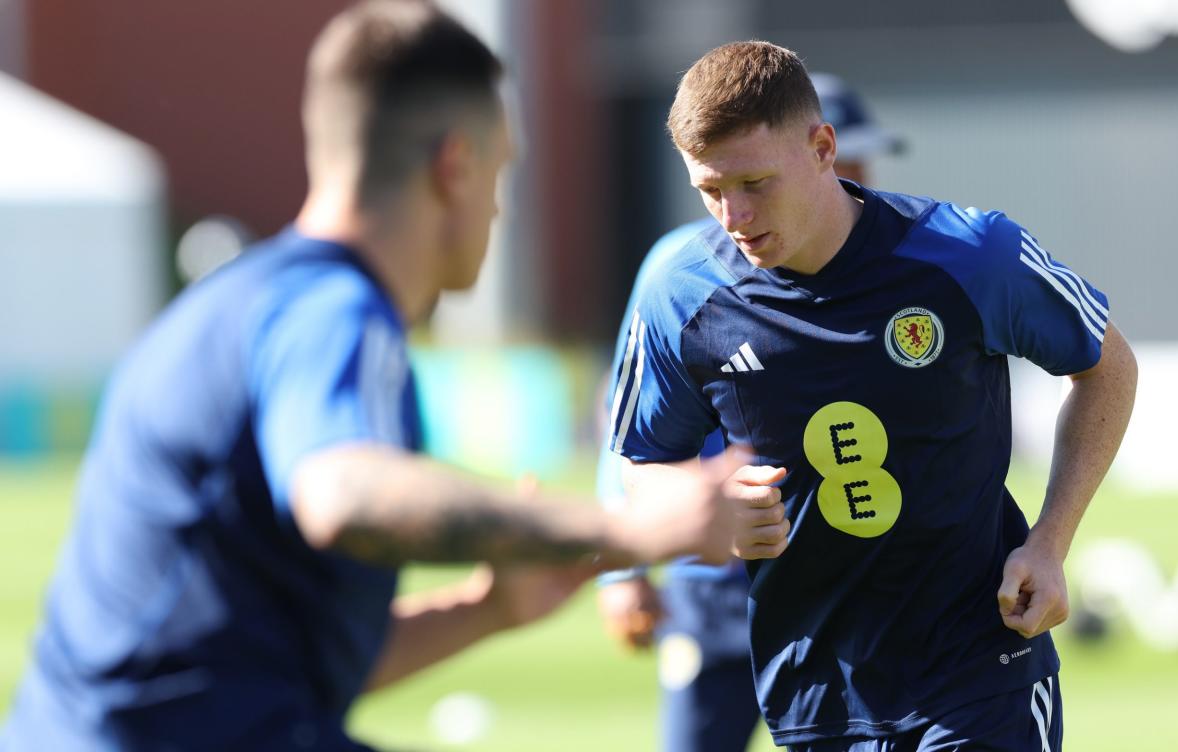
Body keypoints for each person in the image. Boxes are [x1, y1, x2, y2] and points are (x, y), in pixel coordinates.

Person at [0, 3, 743, 750]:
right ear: (454, 166)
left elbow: (268, 669)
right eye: (500, 169)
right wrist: (624, 525)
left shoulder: (249, 303)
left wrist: (487, 607)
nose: (500, 207)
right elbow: (343, 494)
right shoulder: (332, 313)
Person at [606, 41, 1137, 752]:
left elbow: (1108, 366)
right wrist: (706, 515)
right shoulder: (680, 291)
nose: (733, 214)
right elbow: (639, 464)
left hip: (980, 669)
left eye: (757, 182)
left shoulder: (969, 255)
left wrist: (1050, 542)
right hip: (815, 689)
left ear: (824, 148)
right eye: (710, 190)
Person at [596, 73, 904, 752]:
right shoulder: (683, 275)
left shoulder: (892, 270)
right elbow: (630, 433)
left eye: (863, 160)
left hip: (846, 601)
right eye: (850, 157)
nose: (859, 176)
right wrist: (625, 565)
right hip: (712, 592)